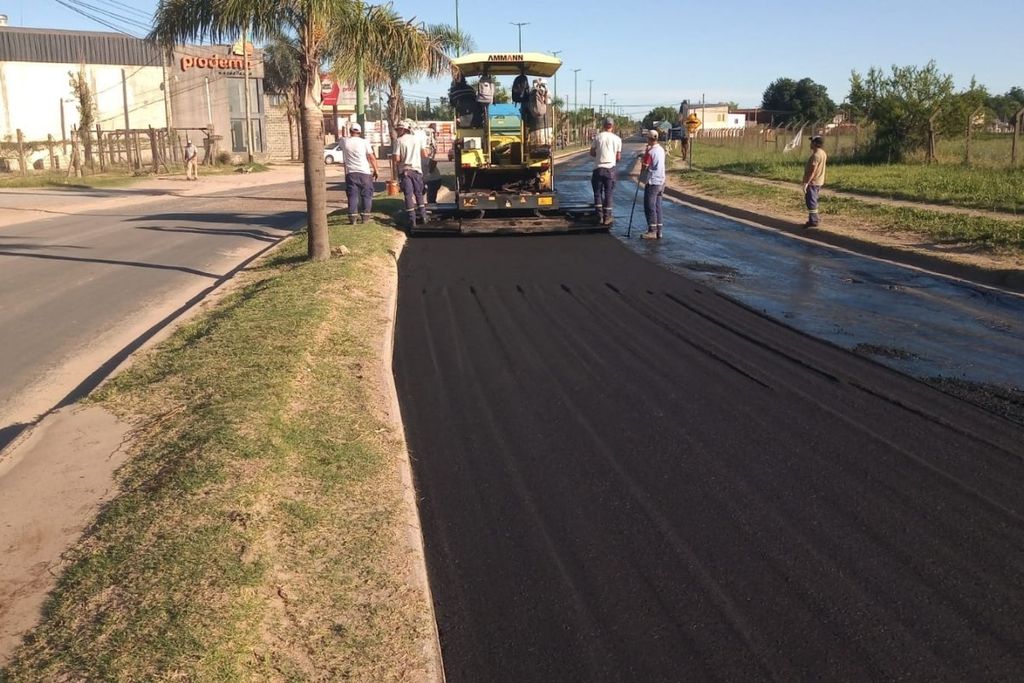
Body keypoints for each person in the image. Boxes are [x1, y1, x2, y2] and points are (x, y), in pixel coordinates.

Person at [392, 119, 429, 226]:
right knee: (419, 194)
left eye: (398, 129)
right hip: (417, 171)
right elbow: (424, 154)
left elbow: (397, 159)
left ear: (403, 130)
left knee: (408, 195)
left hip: (405, 172)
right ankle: (423, 216)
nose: (397, 131)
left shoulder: (399, 141)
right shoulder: (417, 140)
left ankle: (412, 219)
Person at [341, 122, 379, 224]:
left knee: (352, 195)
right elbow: (371, 157)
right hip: (365, 173)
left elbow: (343, 137)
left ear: (350, 131)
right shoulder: (364, 142)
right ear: (360, 132)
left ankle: (352, 218)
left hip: (351, 173)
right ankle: (365, 217)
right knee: (366, 195)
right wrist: (376, 170)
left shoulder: (344, 142)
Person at [589, 117, 622, 225]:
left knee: (597, 193)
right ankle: (607, 217)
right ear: (612, 126)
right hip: (610, 170)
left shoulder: (598, 137)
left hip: (598, 168)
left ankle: (599, 216)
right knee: (608, 193)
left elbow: (592, 153)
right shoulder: (617, 139)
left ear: (603, 125)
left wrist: (599, 155)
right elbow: (618, 157)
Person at [640, 129, 666, 240]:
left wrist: (641, 175)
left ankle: (652, 230)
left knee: (649, 206)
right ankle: (659, 230)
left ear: (650, 139)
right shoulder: (661, 150)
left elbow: (645, 166)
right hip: (662, 181)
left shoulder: (650, 152)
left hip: (652, 182)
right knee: (658, 206)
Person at [802, 134, 828, 227]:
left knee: (811, 201)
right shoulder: (823, 153)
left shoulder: (816, 155)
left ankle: (813, 221)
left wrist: (806, 183)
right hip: (819, 181)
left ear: (816, 143)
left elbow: (813, 171)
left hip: (813, 182)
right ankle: (813, 219)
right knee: (813, 200)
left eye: (812, 142)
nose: (810, 143)